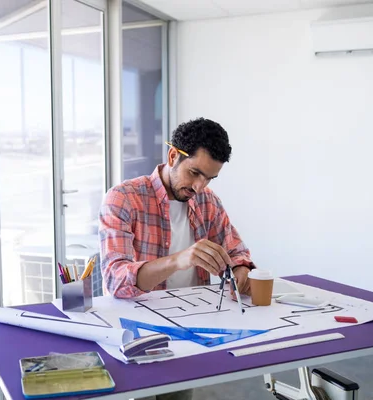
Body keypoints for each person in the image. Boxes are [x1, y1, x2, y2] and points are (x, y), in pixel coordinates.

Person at [98, 118, 256, 400]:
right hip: (136, 333)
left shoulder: (208, 201)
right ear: (173, 156)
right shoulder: (123, 198)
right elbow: (115, 279)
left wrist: (240, 273)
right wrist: (180, 260)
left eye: (209, 178)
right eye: (194, 173)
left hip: (189, 330)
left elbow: (238, 252)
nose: (199, 186)